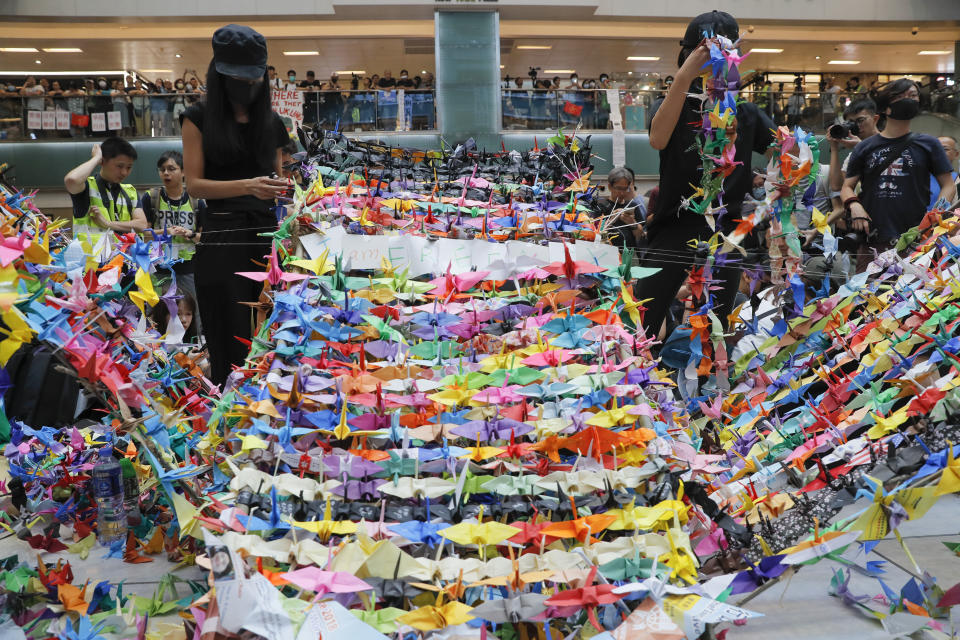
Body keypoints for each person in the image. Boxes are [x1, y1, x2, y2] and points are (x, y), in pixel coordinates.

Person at [637, 10, 774, 340]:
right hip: (671, 226)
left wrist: (774, 197)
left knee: (716, 331)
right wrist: (685, 75)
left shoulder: (745, 112)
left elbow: (787, 153)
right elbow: (658, 139)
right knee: (642, 321)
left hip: (726, 234)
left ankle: (711, 390)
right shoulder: (673, 102)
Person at [180, 24, 290, 386]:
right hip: (223, 238)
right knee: (230, 335)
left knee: (274, 335)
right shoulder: (198, 118)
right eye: (239, 80)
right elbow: (194, 185)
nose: (248, 87)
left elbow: (283, 181)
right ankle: (231, 422)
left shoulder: (273, 123)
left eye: (254, 80)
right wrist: (248, 185)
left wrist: (286, 189)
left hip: (268, 239)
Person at [840, 78, 956, 270]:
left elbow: (948, 184)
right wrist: (854, 205)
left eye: (913, 96)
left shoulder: (929, 144)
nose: (908, 100)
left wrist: (936, 212)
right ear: (885, 107)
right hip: (873, 238)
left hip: (914, 239)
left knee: (908, 296)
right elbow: (846, 186)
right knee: (865, 295)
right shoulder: (865, 147)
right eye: (900, 96)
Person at [64, 137, 148, 255]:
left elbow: (142, 225)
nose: (124, 172)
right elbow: (71, 180)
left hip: (125, 266)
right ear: (103, 162)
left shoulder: (131, 192)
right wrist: (96, 158)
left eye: (129, 167)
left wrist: (108, 224)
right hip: (91, 268)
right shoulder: (87, 187)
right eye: (119, 166)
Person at [138, 150, 205, 299]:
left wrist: (191, 234)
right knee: (157, 311)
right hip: (158, 267)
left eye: (171, 169)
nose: (166, 173)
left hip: (188, 268)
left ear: (183, 172)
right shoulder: (151, 198)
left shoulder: (196, 201)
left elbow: (204, 238)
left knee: (190, 311)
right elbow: (144, 234)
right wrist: (166, 232)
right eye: (162, 170)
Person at [596, 167, 646, 251]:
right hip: (608, 255)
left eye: (625, 188)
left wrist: (632, 223)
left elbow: (640, 237)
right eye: (618, 188)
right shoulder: (601, 206)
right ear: (610, 186)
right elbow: (596, 235)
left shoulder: (632, 205)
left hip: (630, 255)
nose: (622, 193)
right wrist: (611, 220)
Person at [930, 136, 960, 208]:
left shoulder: (957, 180)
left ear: (956, 154)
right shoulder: (917, 174)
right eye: (934, 149)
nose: (938, 152)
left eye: (945, 149)